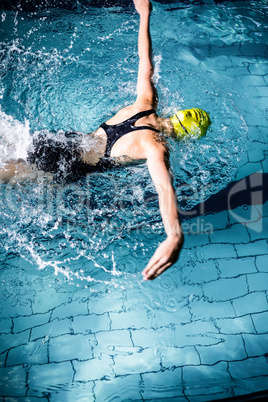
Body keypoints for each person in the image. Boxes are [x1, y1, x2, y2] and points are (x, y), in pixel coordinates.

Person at [0, 0, 211, 280]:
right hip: (65, 164)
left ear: (177, 114)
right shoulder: (156, 147)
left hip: (60, 140)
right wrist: (175, 234)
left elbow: (144, 59)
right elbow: (164, 189)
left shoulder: (145, 103)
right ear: (184, 137)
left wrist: (144, 13)